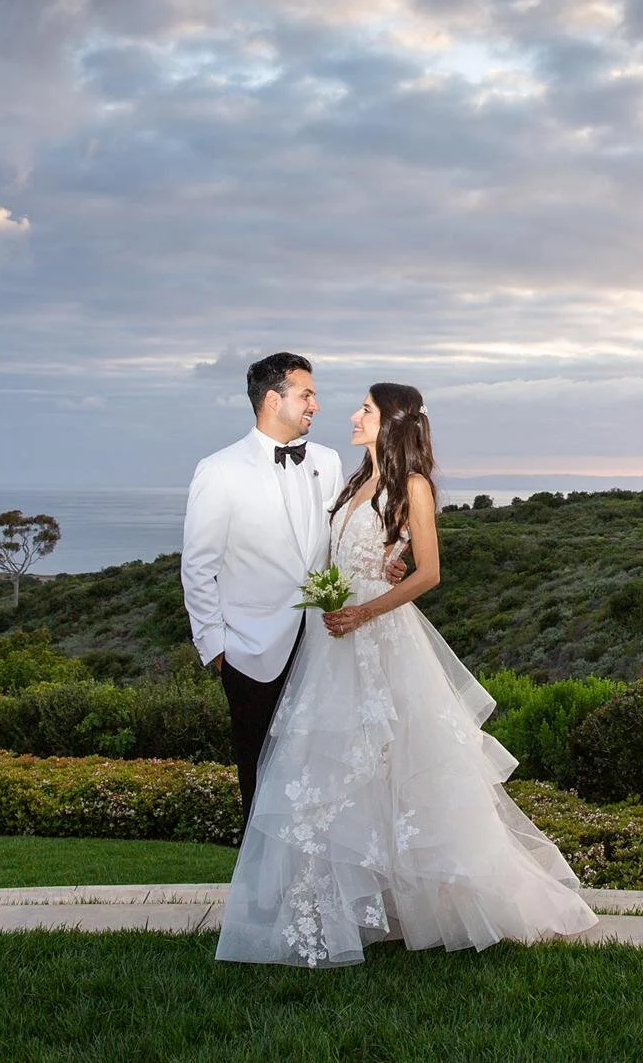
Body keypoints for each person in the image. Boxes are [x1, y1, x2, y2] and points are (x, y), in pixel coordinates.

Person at [216, 382, 599, 967]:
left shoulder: (410, 485)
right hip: (334, 638)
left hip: (380, 634)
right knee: (344, 772)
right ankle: (359, 907)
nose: (352, 415)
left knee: (403, 766)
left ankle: (435, 902)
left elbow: (429, 573)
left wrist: (367, 608)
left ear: (391, 421)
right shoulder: (354, 480)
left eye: (365, 409)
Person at [181, 352, 344, 825]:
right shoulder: (219, 470)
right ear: (274, 399)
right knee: (258, 771)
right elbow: (198, 566)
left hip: (320, 644)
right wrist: (215, 646)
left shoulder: (329, 462)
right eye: (306, 393)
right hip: (249, 649)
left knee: (317, 767)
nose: (316, 403)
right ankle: (261, 888)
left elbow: (339, 541)